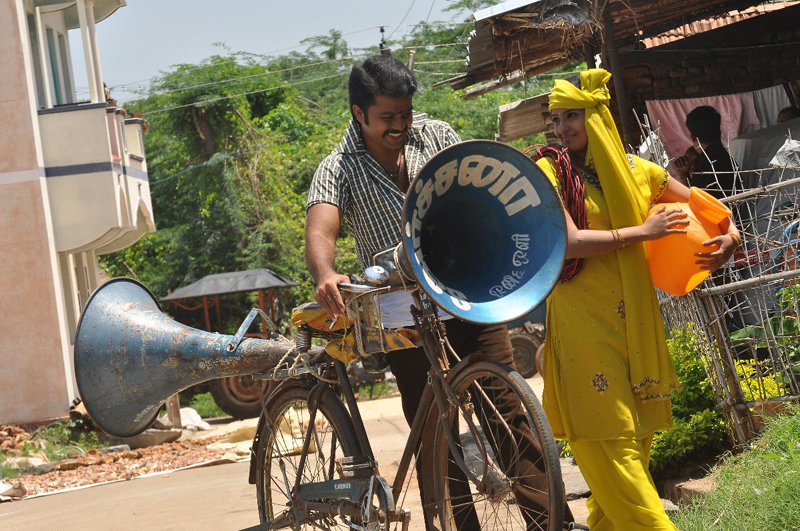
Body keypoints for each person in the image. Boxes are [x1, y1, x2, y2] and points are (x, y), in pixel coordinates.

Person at [305, 55, 577, 530]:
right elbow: (321, 226)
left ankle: (552, 521)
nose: (400, 125)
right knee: (434, 430)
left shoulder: (437, 136)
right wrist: (325, 272)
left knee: (507, 409)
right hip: (402, 309)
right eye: (388, 117)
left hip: (470, 291)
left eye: (405, 113)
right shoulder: (337, 168)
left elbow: (487, 192)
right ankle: (455, 525)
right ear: (358, 113)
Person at [531, 69, 740, 531]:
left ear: (597, 116)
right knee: (610, 435)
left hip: (634, 315)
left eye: (572, 116)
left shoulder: (637, 171)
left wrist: (731, 235)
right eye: (556, 118)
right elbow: (565, 242)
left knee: (638, 434)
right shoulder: (547, 171)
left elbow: (704, 208)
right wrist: (639, 233)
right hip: (580, 317)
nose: (562, 127)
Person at [674, 105, 736, 199]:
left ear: (694, 137)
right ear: (718, 131)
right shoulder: (724, 157)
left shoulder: (705, 167)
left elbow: (694, 202)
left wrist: (683, 175)